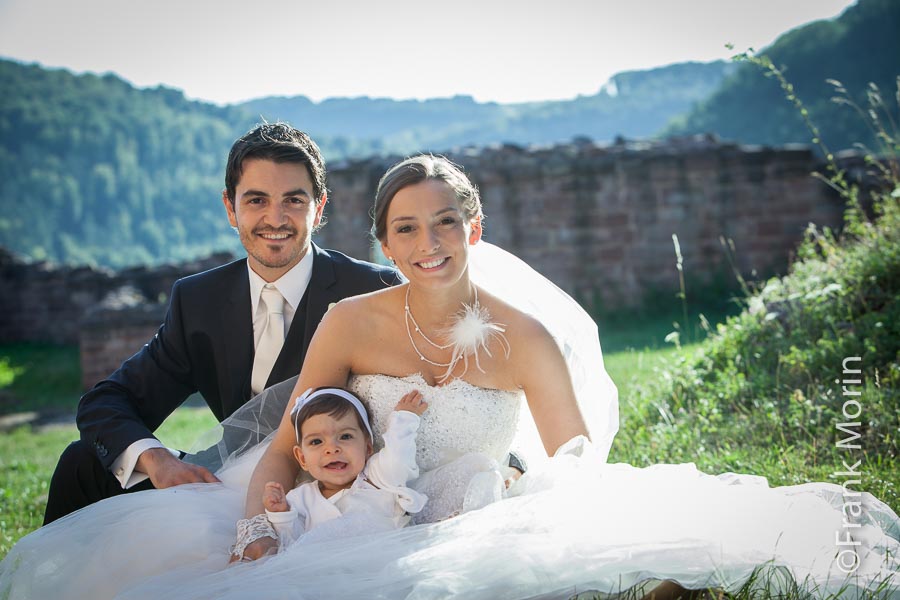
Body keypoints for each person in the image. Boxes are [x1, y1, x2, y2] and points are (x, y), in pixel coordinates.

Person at [2, 155, 897, 600]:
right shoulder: (352, 321)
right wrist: (261, 528)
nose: (425, 246)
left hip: (456, 515)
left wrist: (520, 498)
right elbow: (280, 447)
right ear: (382, 242)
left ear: (474, 230)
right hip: (335, 500)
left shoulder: (525, 338)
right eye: (404, 229)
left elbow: (575, 460)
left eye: (443, 225)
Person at [42, 122, 399, 523]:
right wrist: (157, 461)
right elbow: (105, 402)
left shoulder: (374, 289)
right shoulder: (198, 300)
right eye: (256, 200)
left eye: (294, 200)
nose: (275, 218)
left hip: (335, 497)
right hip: (229, 487)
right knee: (81, 463)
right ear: (230, 207)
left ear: (319, 207)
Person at [249, 386, 428, 555]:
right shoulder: (300, 498)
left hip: (382, 563)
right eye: (316, 442)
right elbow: (289, 545)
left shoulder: (376, 477)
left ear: (367, 447)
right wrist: (281, 514)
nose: (332, 448)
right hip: (323, 573)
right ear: (302, 458)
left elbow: (398, 458)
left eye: (345, 436)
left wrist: (404, 419)